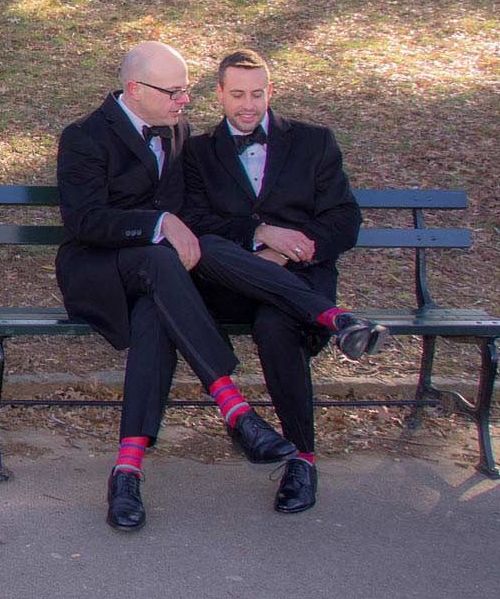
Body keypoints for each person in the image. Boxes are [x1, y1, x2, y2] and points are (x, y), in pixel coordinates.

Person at [56, 40, 301, 532]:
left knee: (156, 312)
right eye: (174, 92)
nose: (184, 101)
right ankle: (233, 406)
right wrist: (160, 222)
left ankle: (127, 471)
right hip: (97, 272)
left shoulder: (177, 130)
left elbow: (193, 210)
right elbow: (85, 221)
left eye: (186, 90)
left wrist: (252, 235)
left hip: (159, 280)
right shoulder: (84, 136)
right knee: (157, 261)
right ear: (134, 89)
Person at [183, 49, 386, 515]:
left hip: (301, 277)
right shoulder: (197, 152)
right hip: (232, 284)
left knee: (278, 327)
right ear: (219, 94)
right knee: (209, 252)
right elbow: (194, 220)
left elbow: (344, 219)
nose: (248, 105)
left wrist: (291, 250)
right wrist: (260, 235)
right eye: (237, 94)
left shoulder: (314, 142)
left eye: (257, 94)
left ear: (270, 92)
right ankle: (340, 321)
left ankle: (303, 460)